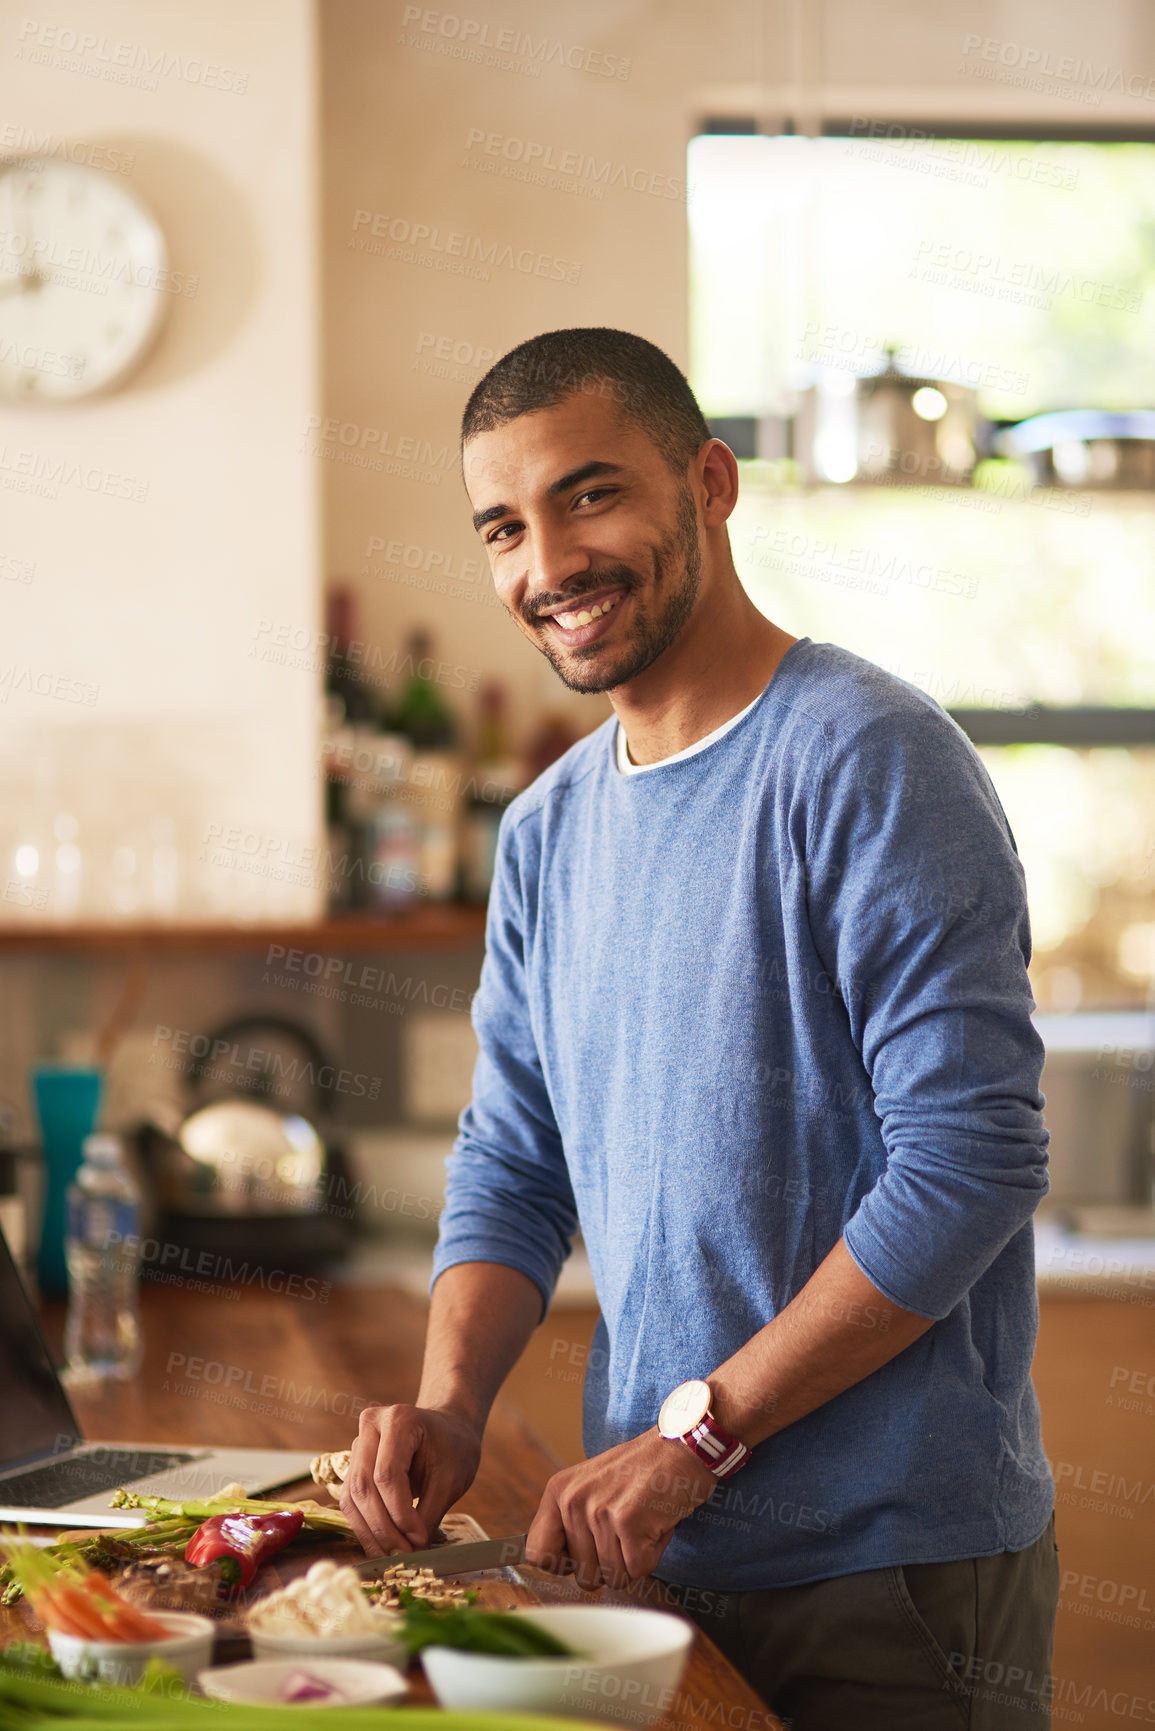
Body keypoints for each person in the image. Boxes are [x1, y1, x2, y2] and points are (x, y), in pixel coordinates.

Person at [341, 328, 1059, 1729]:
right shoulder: (547, 829)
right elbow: (515, 1159)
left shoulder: (868, 760)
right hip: (660, 1547)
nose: (547, 566)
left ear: (710, 486)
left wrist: (701, 1434)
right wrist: (448, 1407)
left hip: (889, 1570)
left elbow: (971, 1159)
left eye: (591, 495)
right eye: (505, 525)